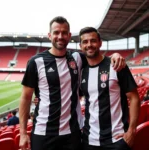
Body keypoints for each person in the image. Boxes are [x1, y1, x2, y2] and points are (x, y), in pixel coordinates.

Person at [19, 16, 126, 150]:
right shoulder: (36, 62)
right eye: (56, 32)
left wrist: (115, 55)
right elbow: (26, 97)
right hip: (43, 133)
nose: (60, 36)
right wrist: (23, 133)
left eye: (64, 33)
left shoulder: (77, 58)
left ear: (69, 36)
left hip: (72, 133)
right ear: (49, 35)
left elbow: (98, 58)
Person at [79, 27, 140, 150]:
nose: (89, 45)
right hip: (89, 140)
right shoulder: (81, 71)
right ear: (80, 46)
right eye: (85, 42)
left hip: (116, 139)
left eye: (93, 41)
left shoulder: (116, 65)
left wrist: (132, 130)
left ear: (100, 43)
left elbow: (134, 98)